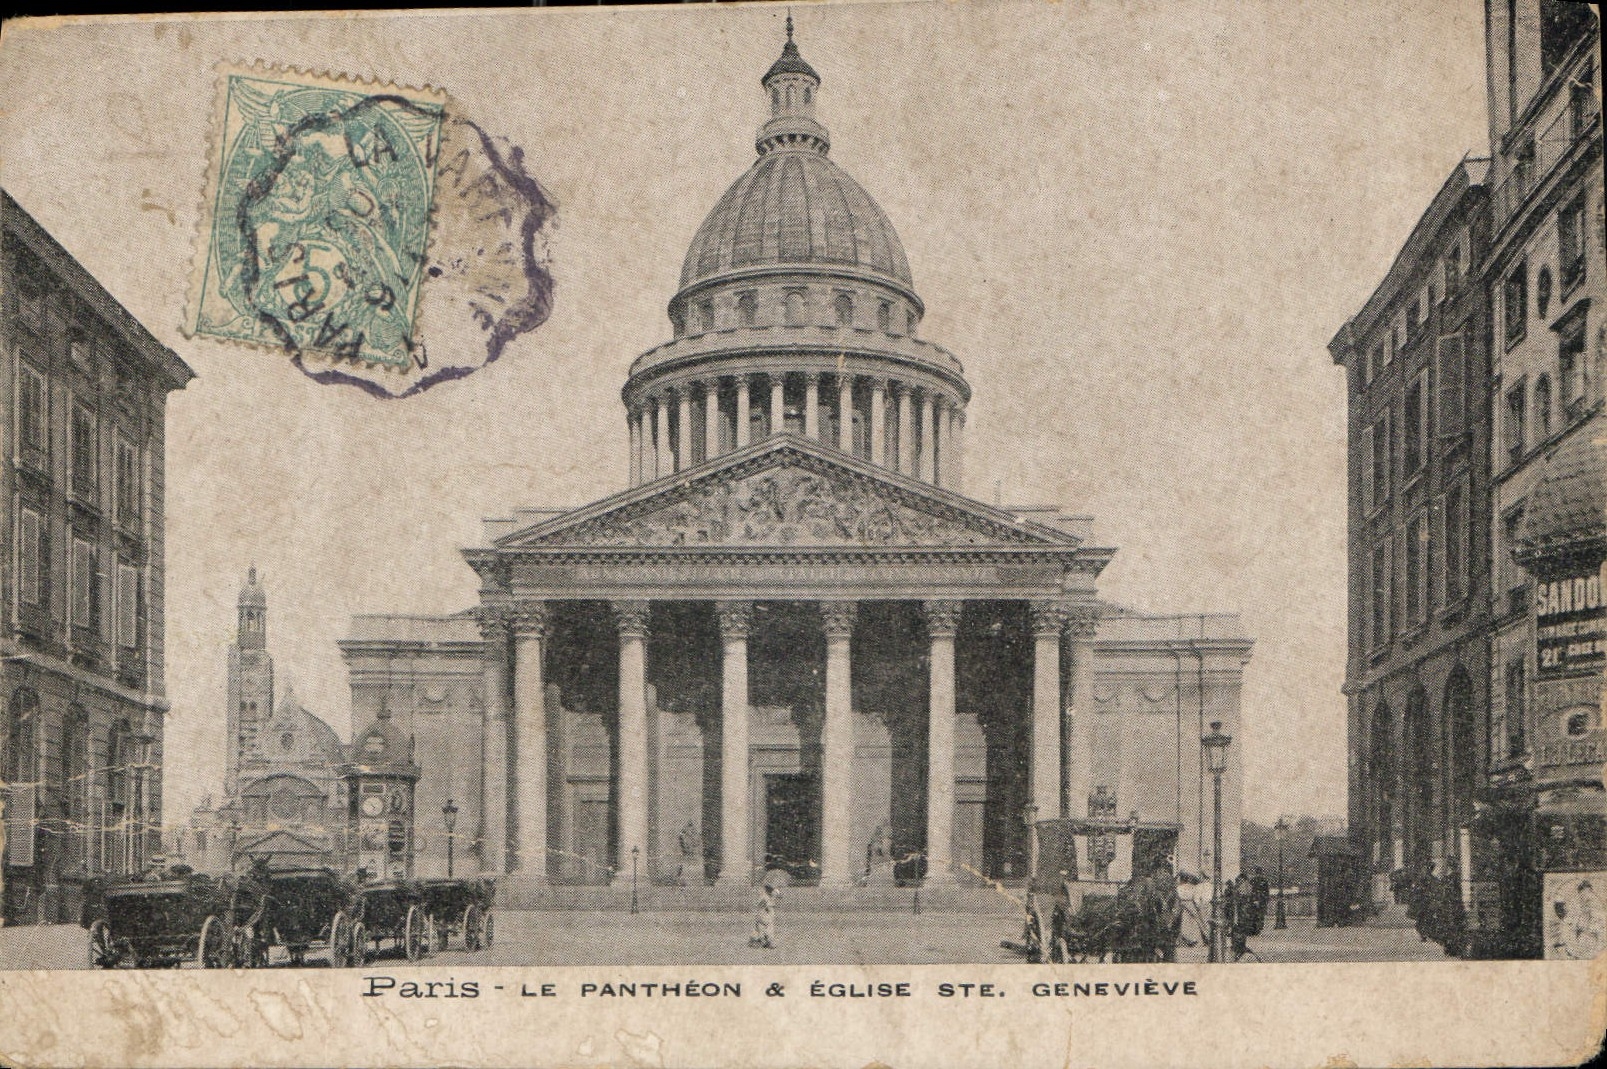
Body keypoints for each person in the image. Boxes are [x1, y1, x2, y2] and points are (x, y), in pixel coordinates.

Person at [749, 868, 787, 949]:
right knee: (765, 924)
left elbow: (779, 896)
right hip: (764, 908)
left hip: (769, 908)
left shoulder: (771, 889)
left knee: (765, 924)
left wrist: (775, 892)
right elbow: (762, 901)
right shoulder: (764, 889)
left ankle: (761, 940)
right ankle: (764, 940)